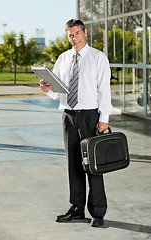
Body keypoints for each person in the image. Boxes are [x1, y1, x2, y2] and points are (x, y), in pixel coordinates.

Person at [40, 19, 113, 227]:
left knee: (93, 165)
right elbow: (58, 89)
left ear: (85, 33)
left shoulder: (98, 58)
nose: (74, 38)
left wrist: (104, 119)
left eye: (77, 34)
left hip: (90, 116)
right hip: (69, 116)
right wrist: (48, 89)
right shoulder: (63, 58)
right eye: (70, 35)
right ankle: (77, 208)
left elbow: (104, 92)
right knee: (74, 165)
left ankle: (98, 212)